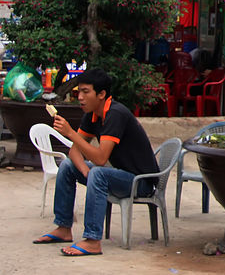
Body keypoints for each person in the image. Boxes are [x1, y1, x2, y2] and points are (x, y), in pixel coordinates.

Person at [32, 68, 159, 257]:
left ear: (101, 94)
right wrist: (85, 171)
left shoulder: (115, 114)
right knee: (68, 166)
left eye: (85, 92)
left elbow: (100, 158)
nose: (80, 97)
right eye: (79, 92)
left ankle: (92, 240)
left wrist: (70, 133)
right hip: (119, 175)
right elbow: (74, 151)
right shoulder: (91, 114)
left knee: (99, 173)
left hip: (141, 182)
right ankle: (63, 227)